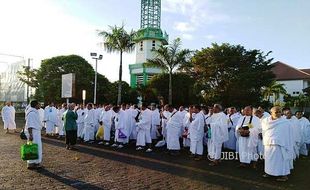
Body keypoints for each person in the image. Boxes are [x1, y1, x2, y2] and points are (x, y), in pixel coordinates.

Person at [262, 106, 294, 182]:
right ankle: (268, 173)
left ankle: (284, 176)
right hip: (268, 145)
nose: (279, 113)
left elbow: (288, 134)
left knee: (281, 162)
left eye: (280, 112)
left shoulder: (285, 122)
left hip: (280, 146)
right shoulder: (265, 121)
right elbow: (264, 132)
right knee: (269, 161)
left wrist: (285, 143)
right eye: (276, 112)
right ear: (271, 113)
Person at [25, 100, 43, 169]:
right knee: (32, 148)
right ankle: (31, 163)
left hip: (36, 132)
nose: (40, 105)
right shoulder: (32, 113)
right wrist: (30, 135)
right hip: (33, 133)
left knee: (35, 148)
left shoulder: (35, 112)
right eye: (39, 104)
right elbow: (29, 125)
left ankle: (35, 163)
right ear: (36, 105)